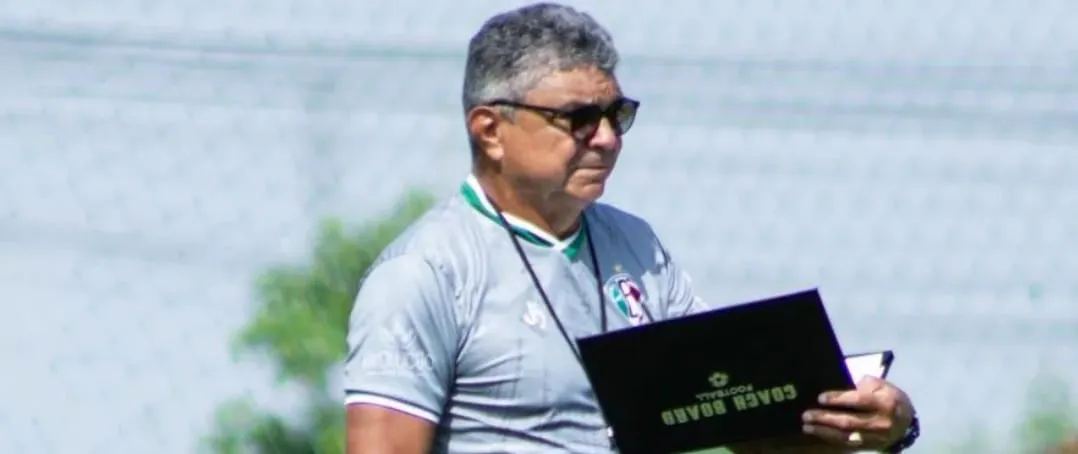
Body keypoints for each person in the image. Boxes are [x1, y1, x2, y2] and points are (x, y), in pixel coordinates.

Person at [343, 2, 920, 453]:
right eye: (578, 118)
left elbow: (740, 424)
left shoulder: (636, 249)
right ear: (490, 130)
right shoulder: (426, 272)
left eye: (616, 115)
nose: (606, 139)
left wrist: (881, 426)